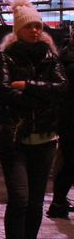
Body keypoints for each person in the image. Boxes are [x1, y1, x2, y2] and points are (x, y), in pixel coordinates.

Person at [0, 0, 66, 239]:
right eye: (29, 26)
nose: (35, 30)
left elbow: (61, 88)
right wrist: (40, 95)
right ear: (18, 29)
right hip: (15, 138)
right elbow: (3, 91)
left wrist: (28, 86)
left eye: (38, 26)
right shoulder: (5, 56)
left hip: (45, 139)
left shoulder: (50, 55)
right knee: (20, 198)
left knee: (35, 202)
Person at [47, 27, 74, 219]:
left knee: (69, 161)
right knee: (70, 161)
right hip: (69, 117)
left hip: (68, 116)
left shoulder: (64, 55)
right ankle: (58, 202)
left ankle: (59, 202)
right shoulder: (65, 58)